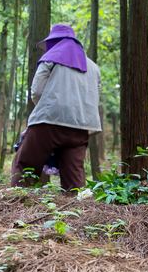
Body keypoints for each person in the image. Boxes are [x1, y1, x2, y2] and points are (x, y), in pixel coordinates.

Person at [11, 24, 102, 191]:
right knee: (73, 178)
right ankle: (75, 213)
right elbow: (95, 98)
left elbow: (37, 91)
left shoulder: (50, 59)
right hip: (81, 128)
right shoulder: (94, 67)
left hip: (48, 123)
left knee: (25, 165)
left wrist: (49, 108)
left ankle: (16, 204)